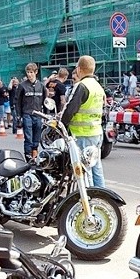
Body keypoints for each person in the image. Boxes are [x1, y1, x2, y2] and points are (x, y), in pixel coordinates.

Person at [61, 55, 106, 187]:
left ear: (79, 69)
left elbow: (70, 110)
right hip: (96, 132)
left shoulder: (81, 86)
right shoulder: (98, 86)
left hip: (82, 134)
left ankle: (90, 200)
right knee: (96, 167)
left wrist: (61, 124)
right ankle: (102, 195)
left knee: (86, 170)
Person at [15, 63, 45, 158]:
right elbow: (17, 102)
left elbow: (45, 101)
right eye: (28, 72)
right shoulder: (22, 86)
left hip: (38, 115)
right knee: (28, 138)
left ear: (36, 72)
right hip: (27, 114)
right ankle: (28, 156)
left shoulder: (41, 86)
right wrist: (18, 116)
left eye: (31, 72)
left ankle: (35, 155)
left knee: (37, 137)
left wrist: (46, 115)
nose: (29, 74)